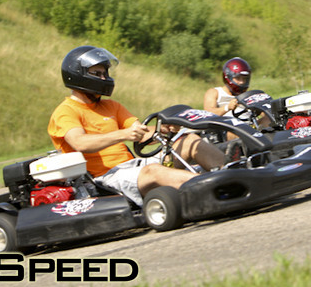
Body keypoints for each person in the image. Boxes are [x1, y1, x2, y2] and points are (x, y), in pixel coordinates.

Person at [48, 45, 226, 207]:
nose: (104, 78)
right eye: (97, 74)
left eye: (105, 74)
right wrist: (123, 134)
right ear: (78, 75)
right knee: (153, 171)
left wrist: (161, 130)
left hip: (134, 166)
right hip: (104, 179)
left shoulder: (111, 106)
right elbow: (80, 143)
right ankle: (214, 187)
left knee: (189, 141)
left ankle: (231, 173)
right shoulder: (66, 111)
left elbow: (139, 132)